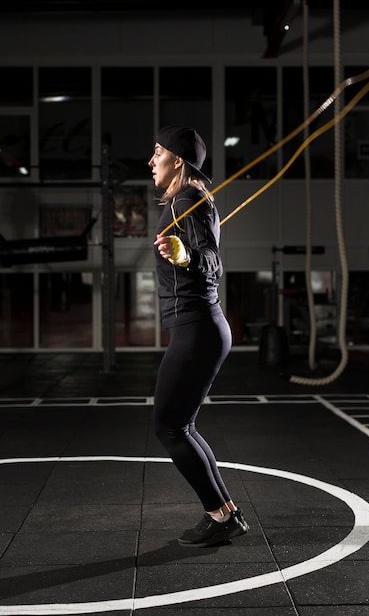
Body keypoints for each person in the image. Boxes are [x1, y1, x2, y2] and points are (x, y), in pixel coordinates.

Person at [149, 125, 249, 547]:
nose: (151, 161)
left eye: (158, 153)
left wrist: (186, 254)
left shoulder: (189, 198)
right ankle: (225, 514)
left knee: (170, 427)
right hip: (198, 327)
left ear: (178, 160)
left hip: (197, 327)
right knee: (182, 425)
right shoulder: (185, 201)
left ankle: (219, 514)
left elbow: (210, 258)